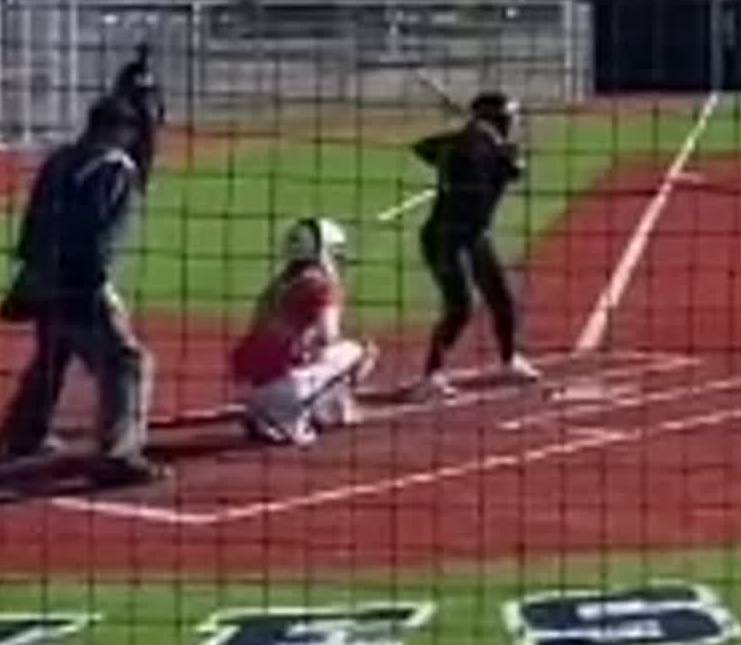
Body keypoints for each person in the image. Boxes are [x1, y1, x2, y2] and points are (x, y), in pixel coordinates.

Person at [0, 96, 164, 486]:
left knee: (52, 355)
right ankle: (119, 454)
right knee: (127, 362)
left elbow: (32, 222)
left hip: (40, 277)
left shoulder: (60, 159)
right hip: (80, 282)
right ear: (120, 131)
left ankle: (23, 434)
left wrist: (34, 273)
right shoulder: (115, 169)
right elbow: (100, 236)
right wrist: (97, 286)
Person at [411, 91, 541, 400]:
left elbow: (514, 169)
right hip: (445, 236)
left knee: (502, 299)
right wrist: (461, 138)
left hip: (474, 235)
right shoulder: (470, 147)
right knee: (460, 307)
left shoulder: (498, 150)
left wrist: (471, 138)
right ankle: (430, 376)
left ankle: (509, 361)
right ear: (496, 119)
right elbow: (423, 149)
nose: (513, 123)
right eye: (509, 118)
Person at [229, 217, 379, 447]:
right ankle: (291, 419)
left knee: (315, 357)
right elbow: (329, 336)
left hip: (248, 386)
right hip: (284, 387)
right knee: (356, 352)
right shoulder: (322, 286)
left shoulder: (277, 284)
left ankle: (318, 411)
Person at [110, 41, 166, 189]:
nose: (146, 58)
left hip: (147, 119)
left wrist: (161, 112)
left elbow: (157, 95)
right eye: (143, 54)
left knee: (148, 150)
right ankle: (127, 178)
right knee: (130, 149)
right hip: (131, 118)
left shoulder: (150, 73)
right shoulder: (129, 72)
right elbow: (119, 91)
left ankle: (143, 180)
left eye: (148, 55)